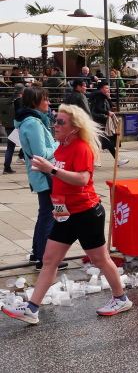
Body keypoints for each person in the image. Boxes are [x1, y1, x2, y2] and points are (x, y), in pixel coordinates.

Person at [1, 104, 132, 324]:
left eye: (61, 122)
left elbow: (82, 179)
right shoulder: (61, 146)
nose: (56, 125)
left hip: (86, 212)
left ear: (75, 127)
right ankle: (32, 309)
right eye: (55, 120)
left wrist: (51, 169)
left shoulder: (81, 147)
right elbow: (60, 176)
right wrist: (47, 174)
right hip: (64, 214)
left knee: (100, 259)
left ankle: (121, 299)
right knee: (49, 259)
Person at [14, 86, 68, 271]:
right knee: (50, 216)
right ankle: (43, 259)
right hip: (45, 176)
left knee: (45, 213)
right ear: (34, 102)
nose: (49, 102)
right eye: (45, 99)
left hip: (42, 176)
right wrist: (58, 143)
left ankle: (37, 253)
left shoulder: (30, 120)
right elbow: (41, 154)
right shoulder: (33, 123)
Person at [89, 82, 128, 167]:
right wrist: (107, 112)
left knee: (105, 142)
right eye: (106, 88)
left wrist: (109, 98)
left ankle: (96, 160)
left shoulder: (103, 97)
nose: (109, 90)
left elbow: (109, 106)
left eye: (109, 88)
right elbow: (97, 108)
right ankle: (94, 160)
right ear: (101, 89)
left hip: (101, 121)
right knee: (103, 141)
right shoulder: (100, 97)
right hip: (100, 121)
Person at [2, 84, 24, 174]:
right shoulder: (19, 101)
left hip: (8, 126)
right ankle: (7, 168)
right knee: (26, 145)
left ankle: (7, 167)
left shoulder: (9, 99)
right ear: (22, 91)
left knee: (10, 147)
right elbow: (21, 113)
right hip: (17, 126)